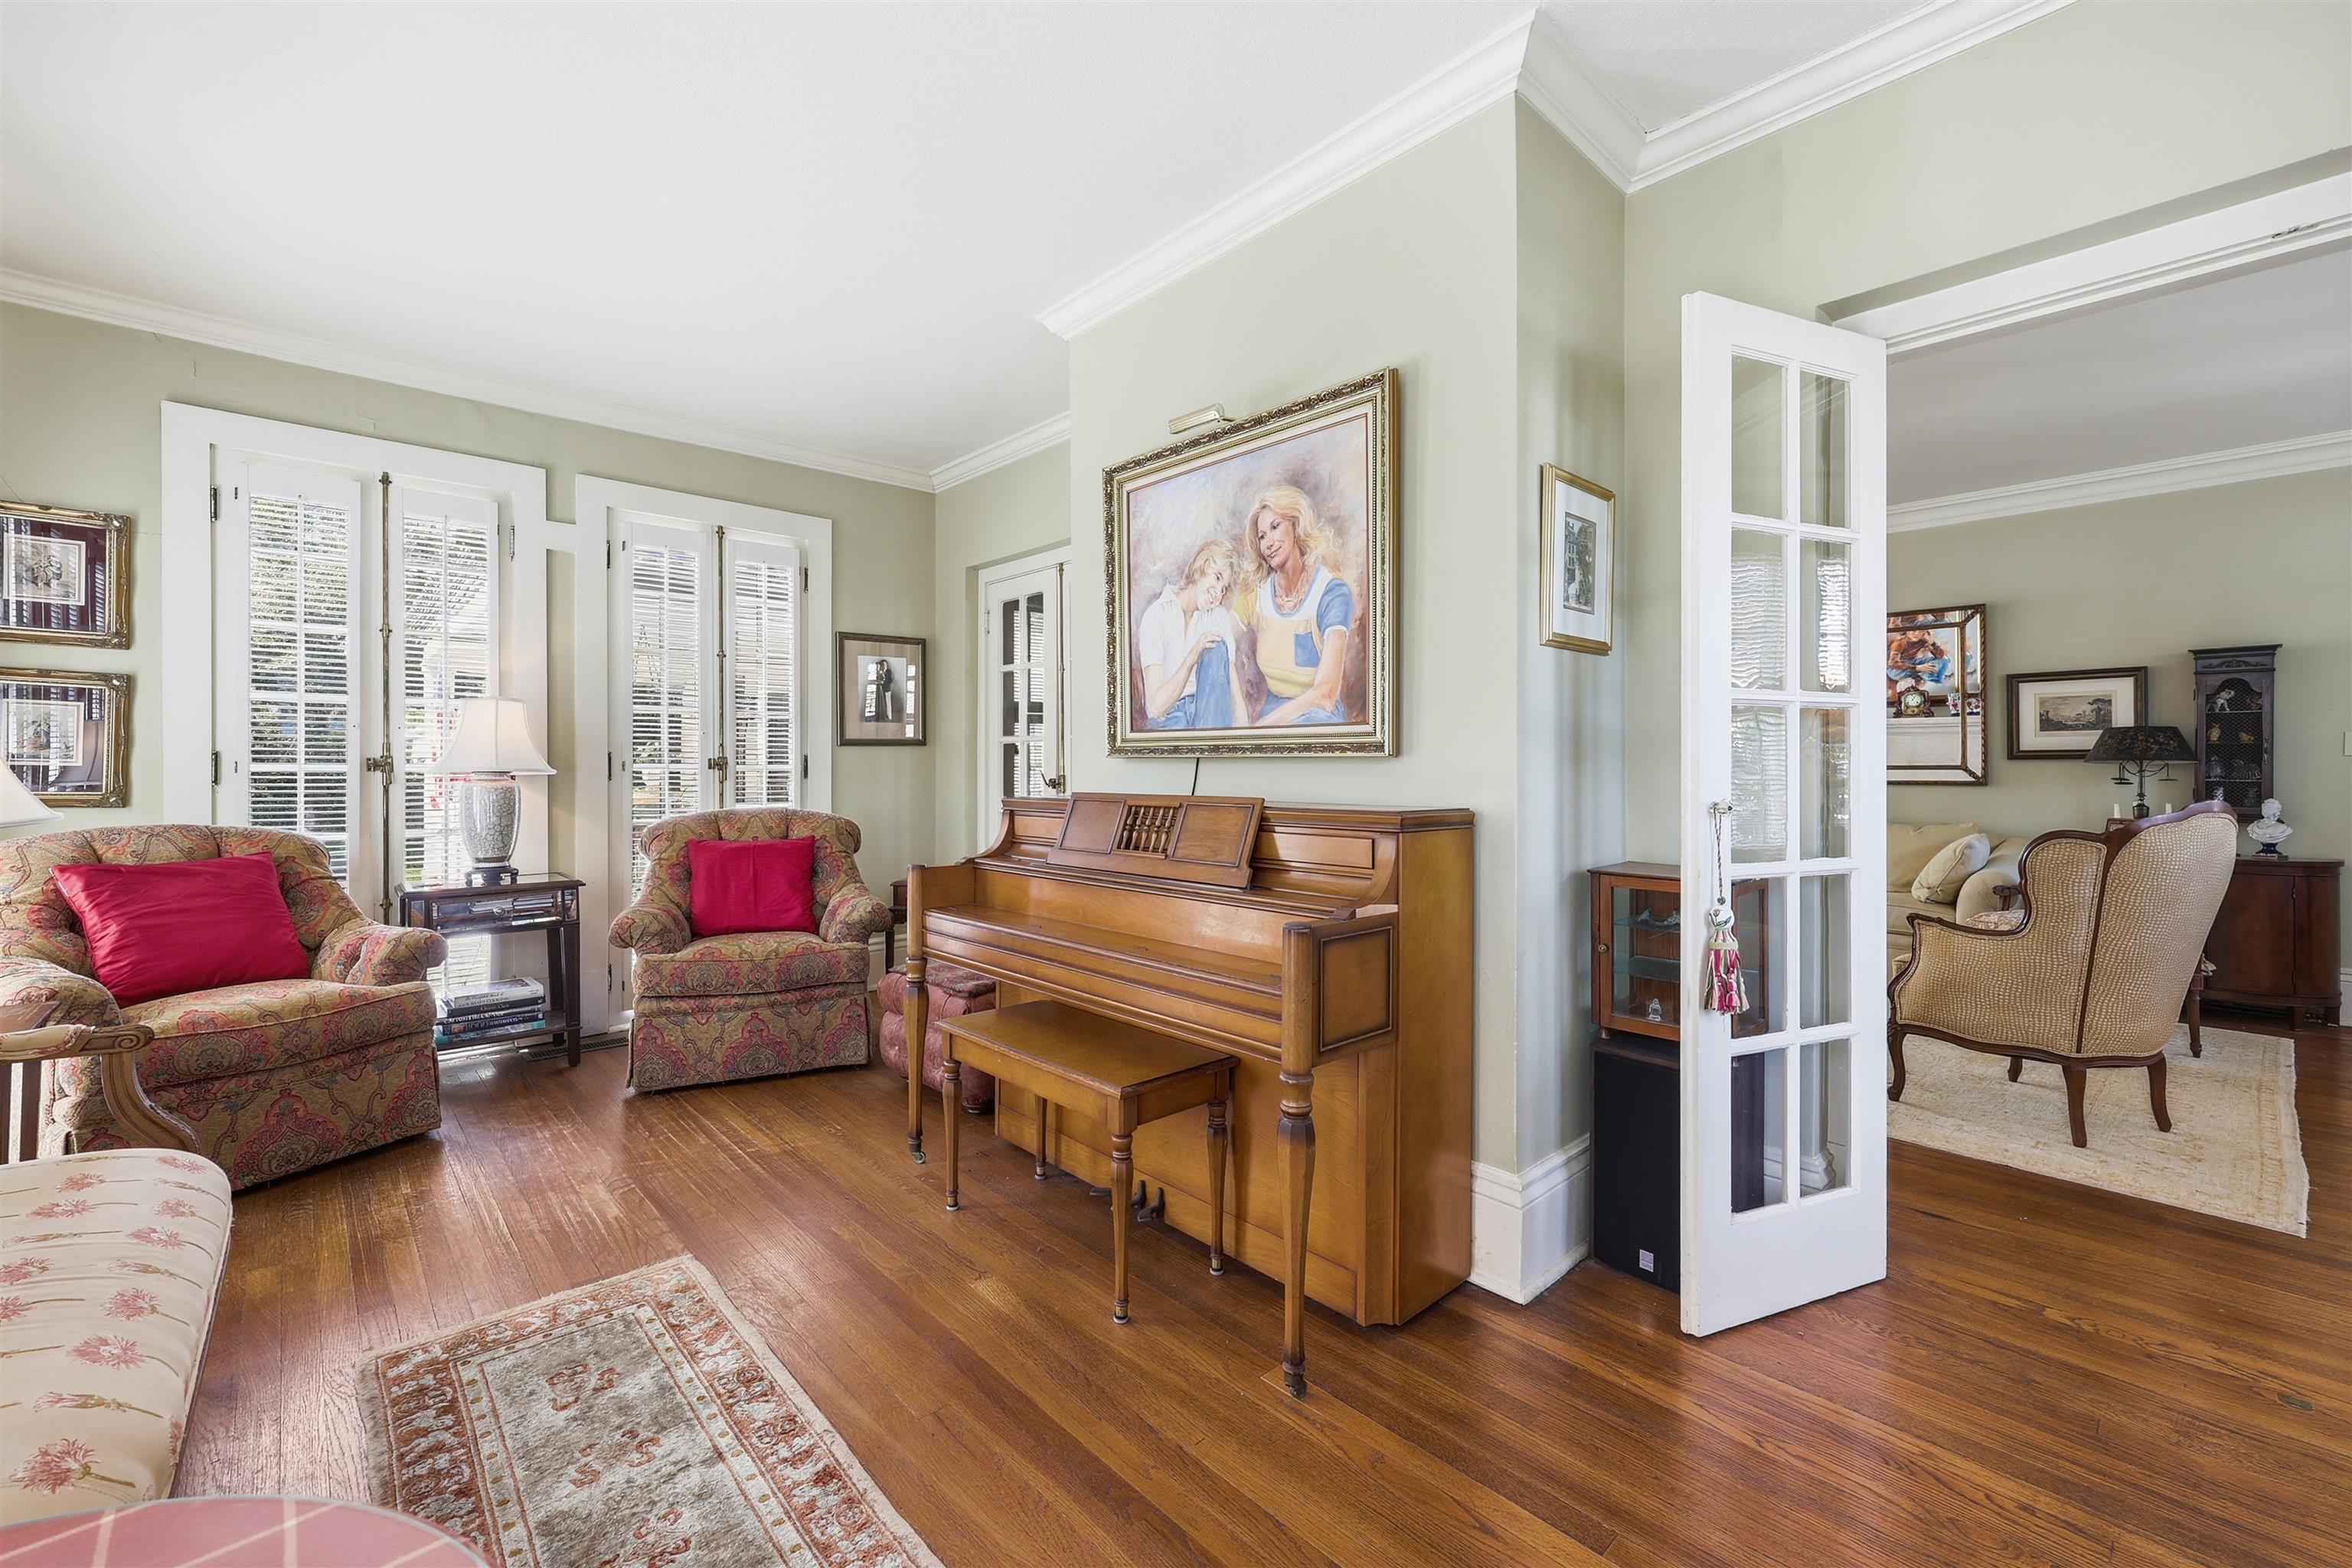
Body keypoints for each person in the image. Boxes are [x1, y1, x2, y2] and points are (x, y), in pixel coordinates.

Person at [1233, 485, 1351, 726]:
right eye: (1262, 536)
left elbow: (1326, 694)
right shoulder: (1256, 593)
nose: (1268, 543)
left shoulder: (1331, 592)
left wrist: (1262, 728)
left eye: (1275, 527)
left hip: (1317, 717)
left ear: (1295, 527)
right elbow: (1219, 639)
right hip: (1272, 712)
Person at [1136, 537, 1248, 730]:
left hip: (1208, 712)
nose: (1218, 594)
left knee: (1215, 648)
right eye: (1217, 577)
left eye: (1223, 590)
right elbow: (1155, 708)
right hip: (1170, 718)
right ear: (1201, 567)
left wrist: (1246, 737)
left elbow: (1233, 689)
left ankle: (1212, 748)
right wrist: (1192, 657)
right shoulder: (1157, 616)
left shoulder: (1218, 617)